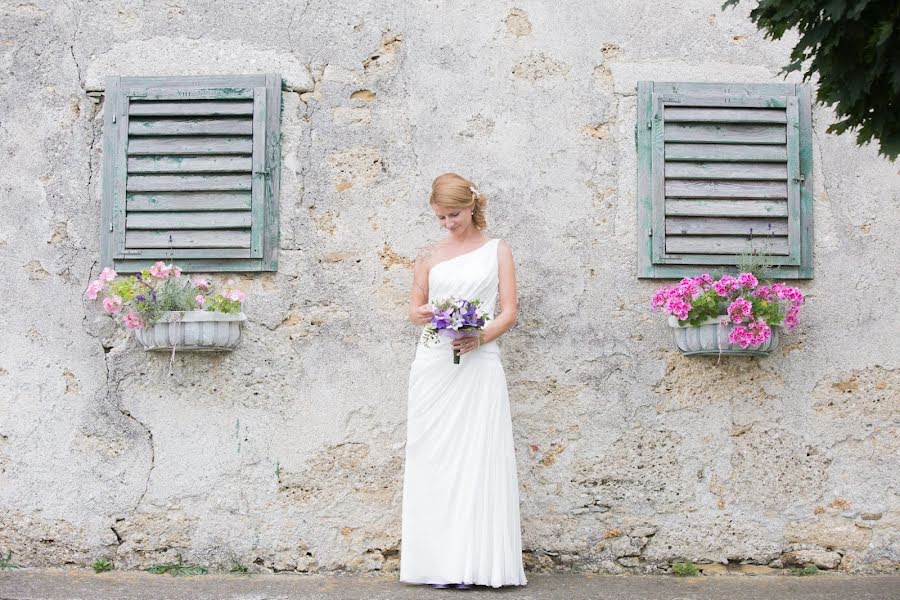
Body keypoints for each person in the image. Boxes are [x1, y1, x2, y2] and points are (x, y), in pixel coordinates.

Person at [399, 173, 528, 589]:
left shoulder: (497, 251)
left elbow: (508, 310)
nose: (447, 223)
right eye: (439, 217)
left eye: (452, 214)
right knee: (435, 457)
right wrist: (420, 313)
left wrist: (481, 336)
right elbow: (413, 308)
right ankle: (437, 563)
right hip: (434, 362)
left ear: (471, 206)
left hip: (479, 360)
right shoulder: (428, 255)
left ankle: (474, 564)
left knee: (476, 456)